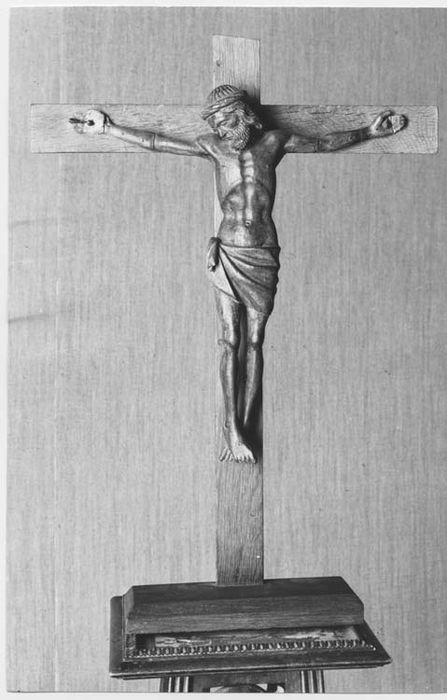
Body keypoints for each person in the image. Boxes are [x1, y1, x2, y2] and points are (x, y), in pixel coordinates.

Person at [78, 85, 406, 463]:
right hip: (229, 251)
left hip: (262, 252)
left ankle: (247, 425)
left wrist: (368, 132)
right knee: (229, 340)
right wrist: (108, 129)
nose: (221, 128)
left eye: (225, 119)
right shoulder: (213, 147)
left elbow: (323, 143)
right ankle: (231, 427)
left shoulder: (274, 143)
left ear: (244, 114)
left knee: (255, 341)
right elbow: (158, 142)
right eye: (215, 123)